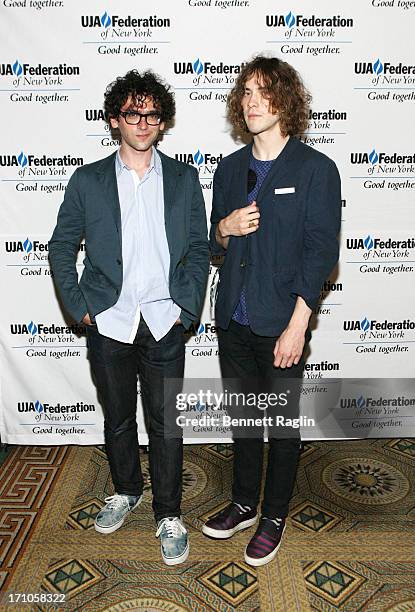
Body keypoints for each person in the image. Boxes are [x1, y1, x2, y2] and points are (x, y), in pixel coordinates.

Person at [49, 70, 209, 565]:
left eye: (152, 114)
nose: (142, 123)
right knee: (118, 420)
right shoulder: (87, 179)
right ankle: (125, 490)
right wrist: (80, 308)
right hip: (110, 320)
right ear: (115, 119)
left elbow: (201, 249)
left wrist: (188, 307)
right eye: (132, 113)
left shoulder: (184, 178)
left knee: (166, 424)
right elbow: (60, 247)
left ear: (163, 122)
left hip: (164, 320)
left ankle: (168, 513)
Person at [202, 55, 341, 567]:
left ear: (285, 101)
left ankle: (274, 515)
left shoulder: (315, 170)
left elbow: (322, 251)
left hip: (282, 322)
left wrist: (298, 324)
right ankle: (242, 502)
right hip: (233, 321)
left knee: (281, 425)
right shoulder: (229, 168)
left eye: (265, 92)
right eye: (246, 93)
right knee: (243, 419)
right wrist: (224, 229)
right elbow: (214, 246)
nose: (253, 101)